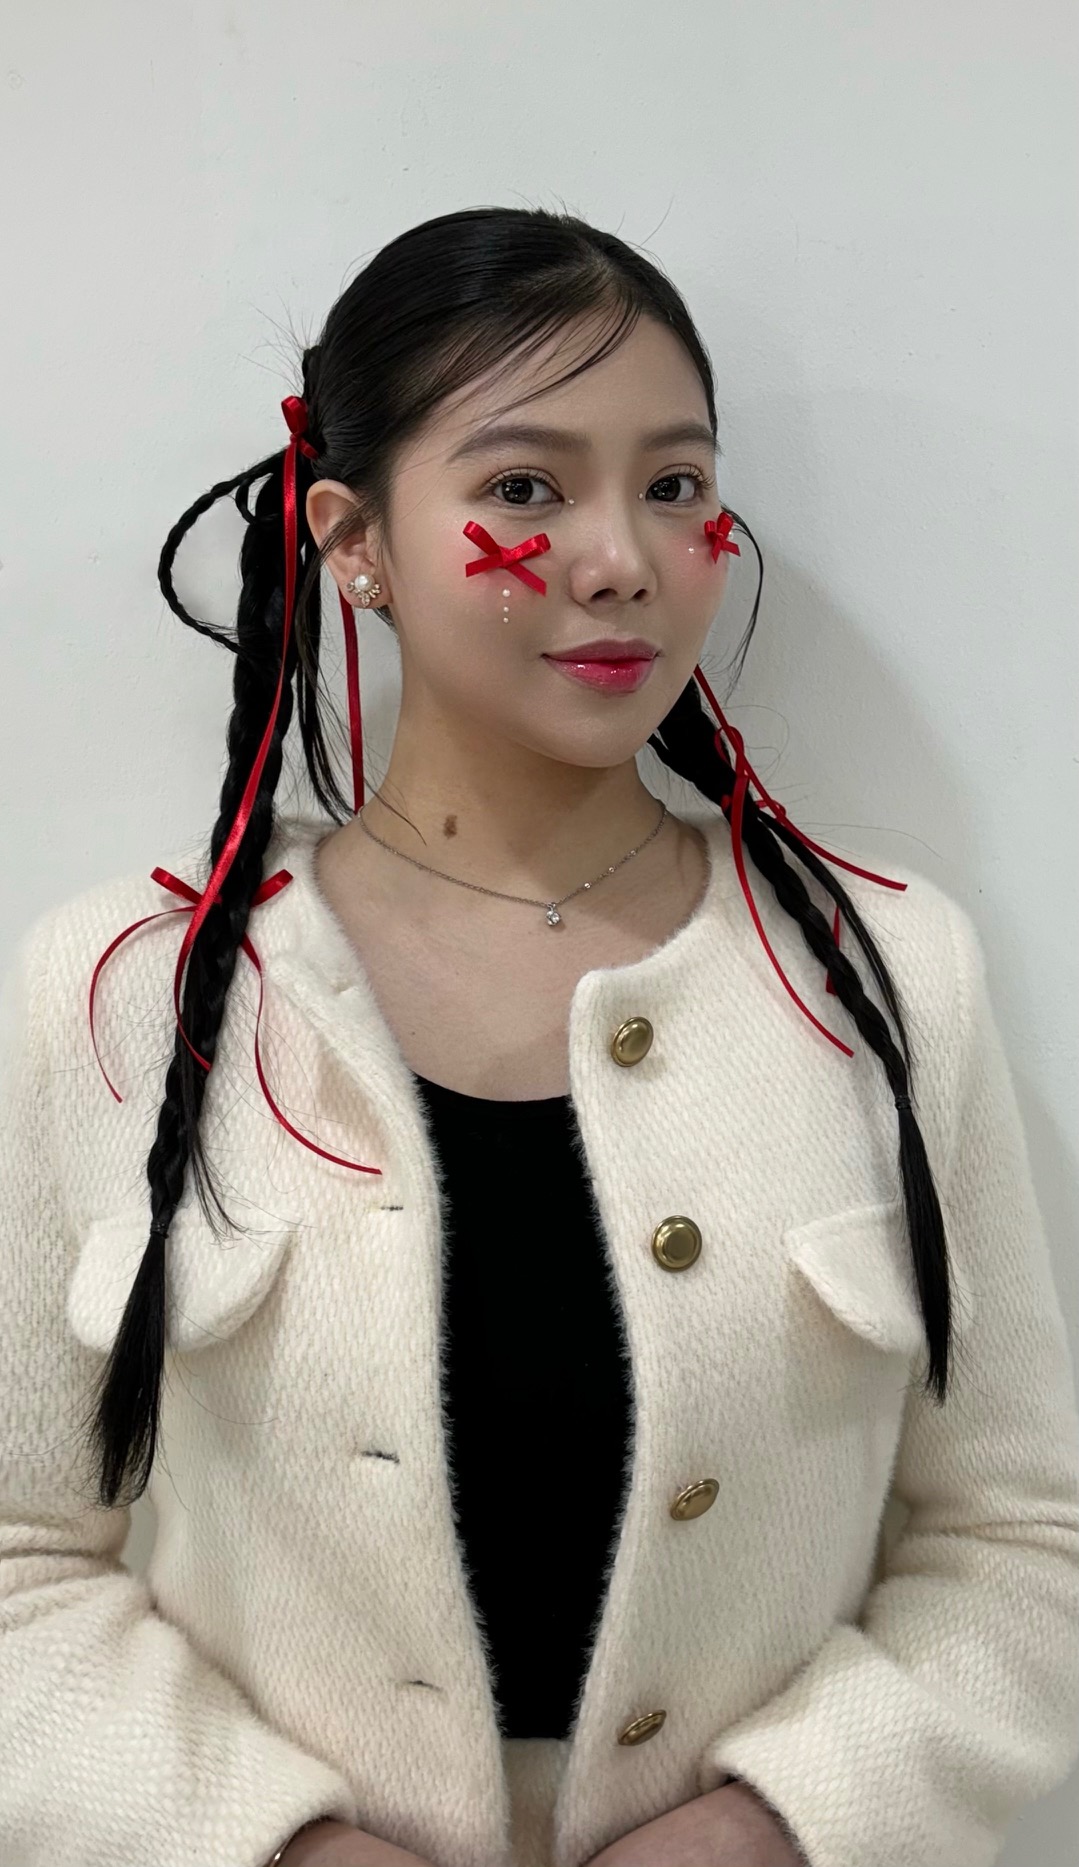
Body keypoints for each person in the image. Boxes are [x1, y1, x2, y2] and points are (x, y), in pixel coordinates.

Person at [1, 205, 1077, 1867]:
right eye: (524, 487)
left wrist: (774, 1829)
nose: (624, 557)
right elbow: (19, 1565)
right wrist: (274, 1847)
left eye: (676, 483)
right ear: (353, 540)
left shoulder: (883, 979)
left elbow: (1023, 1537)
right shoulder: (124, 994)